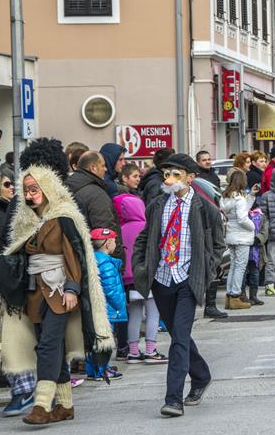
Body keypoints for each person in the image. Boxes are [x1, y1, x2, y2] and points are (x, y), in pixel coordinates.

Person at [0, 164, 114, 424]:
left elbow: (75, 256)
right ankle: (65, 405)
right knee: (51, 346)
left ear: (47, 188)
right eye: (26, 190)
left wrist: (72, 289)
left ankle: (41, 405)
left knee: (49, 344)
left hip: (60, 291)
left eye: (34, 189)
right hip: (35, 294)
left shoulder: (64, 217)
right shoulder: (27, 222)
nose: (30, 195)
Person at [132, 153, 224, 417]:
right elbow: (145, 238)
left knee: (180, 338)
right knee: (177, 335)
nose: (169, 179)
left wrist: (206, 270)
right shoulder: (157, 205)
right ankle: (201, 375)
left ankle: (173, 399)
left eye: (176, 174)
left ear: (190, 177)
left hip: (188, 280)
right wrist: (140, 266)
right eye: (166, 174)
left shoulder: (205, 209)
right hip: (162, 279)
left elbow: (218, 245)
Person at [114, 191, 166, 364]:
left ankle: (133, 352)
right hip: (147, 276)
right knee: (153, 312)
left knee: (135, 314)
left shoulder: (120, 229)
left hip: (129, 280)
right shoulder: (146, 227)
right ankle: (151, 350)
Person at [84, 228, 126, 382]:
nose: (115, 244)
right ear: (108, 244)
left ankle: (94, 369)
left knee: (96, 340)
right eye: (114, 241)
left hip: (96, 308)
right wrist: (120, 304)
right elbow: (111, 289)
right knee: (105, 341)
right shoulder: (106, 263)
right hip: (108, 309)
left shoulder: (92, 259)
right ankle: (101, 370)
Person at [221, 171, 255, 310]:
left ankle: (230, 295)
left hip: (231, 233)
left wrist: (251, 196)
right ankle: (235, 295)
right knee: (240, 267)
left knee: (234, 265)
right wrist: (253, 227)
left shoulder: (227, 197)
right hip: (242, 236)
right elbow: (242, 218)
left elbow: (241, 211)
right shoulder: (239, 199)